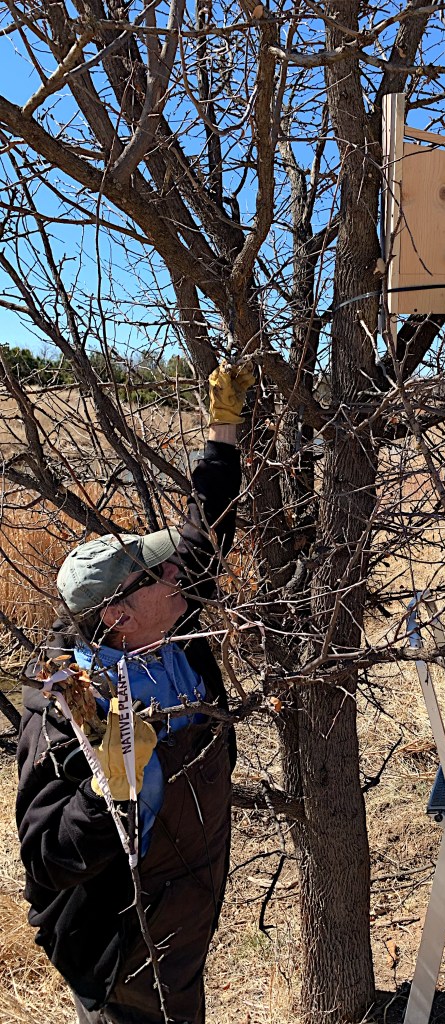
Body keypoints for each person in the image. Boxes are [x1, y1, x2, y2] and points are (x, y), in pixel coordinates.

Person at [16, 360, 254, 1023]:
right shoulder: (71, 702)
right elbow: (45, 858)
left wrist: (222, 427)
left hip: (191, 906)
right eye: (161, 572)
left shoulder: (166, 622)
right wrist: (106, 786)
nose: (182, 572)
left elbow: (208, 527)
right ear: (116, 615)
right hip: (125, 945)